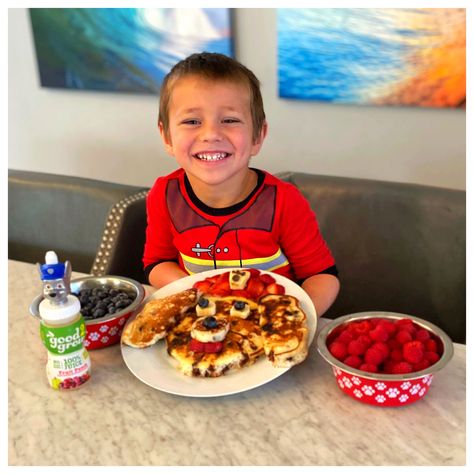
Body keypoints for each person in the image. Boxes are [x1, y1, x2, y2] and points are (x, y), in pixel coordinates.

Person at [143, 52, 340, 317]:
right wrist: (201, 294)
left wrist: (293, 318)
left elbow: (323, 276)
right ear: (166, 136)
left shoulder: (284, 200)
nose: (211, 134)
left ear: (258, 136)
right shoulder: (164, 194)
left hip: (271, 327)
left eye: (230, 120)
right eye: (192, 121)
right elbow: (157, 263)